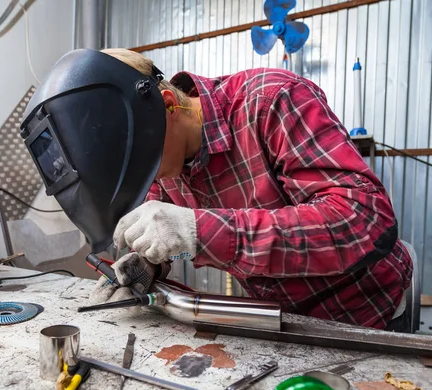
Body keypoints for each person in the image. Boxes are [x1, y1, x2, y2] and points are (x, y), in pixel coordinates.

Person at [88, 48, 412, 330]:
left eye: (142, 161)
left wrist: (203, 232)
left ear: (168, 106)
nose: (146, 177)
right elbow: (170, 237)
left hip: (366, 315)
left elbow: (366, 220)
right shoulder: (164, 161)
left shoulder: (272, 99)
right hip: (283, 321)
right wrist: (147, 264)